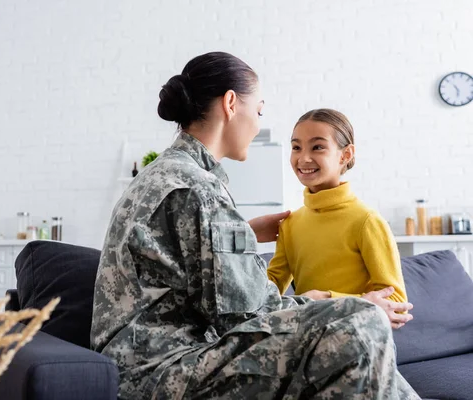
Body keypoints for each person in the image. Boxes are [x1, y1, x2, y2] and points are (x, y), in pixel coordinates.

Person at [90, 51, 419, 399]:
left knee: (356, 330)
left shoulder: (164, 174)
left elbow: (187, 266)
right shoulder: (198, 188)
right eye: (259, 111)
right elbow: (250, 315)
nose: (259, 124)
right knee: (362, 321)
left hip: (139, 366)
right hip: (164, 372)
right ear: (231, 103)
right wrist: (348, 303)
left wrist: (242, 234)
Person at [267, 108, 413, 329]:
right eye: (296, 147)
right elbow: (268, 291)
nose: (304, 158)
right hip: (307, 340)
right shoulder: (290, 224)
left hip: (361, 344)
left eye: (318, 147)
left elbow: (396, 303)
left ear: (345, 155)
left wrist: (326, 298)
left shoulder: (366, 221)